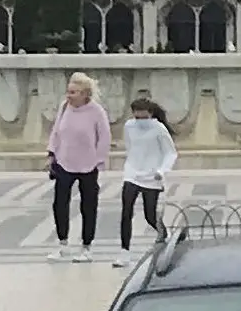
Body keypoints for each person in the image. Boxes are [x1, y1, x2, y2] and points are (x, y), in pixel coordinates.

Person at [46, 72, 111, 262]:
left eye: (74, 92)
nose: (69, 95)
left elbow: (104, 137)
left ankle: (87, 246)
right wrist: (51, 153)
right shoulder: (64, 107)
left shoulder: (96, 111)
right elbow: (56, 131)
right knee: (60, 203)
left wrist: (98, 160)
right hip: (64, 162)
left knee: (88, 205)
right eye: (68, 91)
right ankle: (63, 244)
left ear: (85, 94)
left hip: (88, 165)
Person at [117, 95, 176, 261]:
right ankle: (124, 250)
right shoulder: (129, 126)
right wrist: (131, 164)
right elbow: (130, 146)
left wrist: (162, 170)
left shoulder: (159, 128)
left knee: (149, 215)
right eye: (137, 117)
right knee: (126, 211)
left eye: (144, 117)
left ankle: (164, 234)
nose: (141, 121)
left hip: (152, 176)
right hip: (132, 173)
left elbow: (170, 152)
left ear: (151, 114)